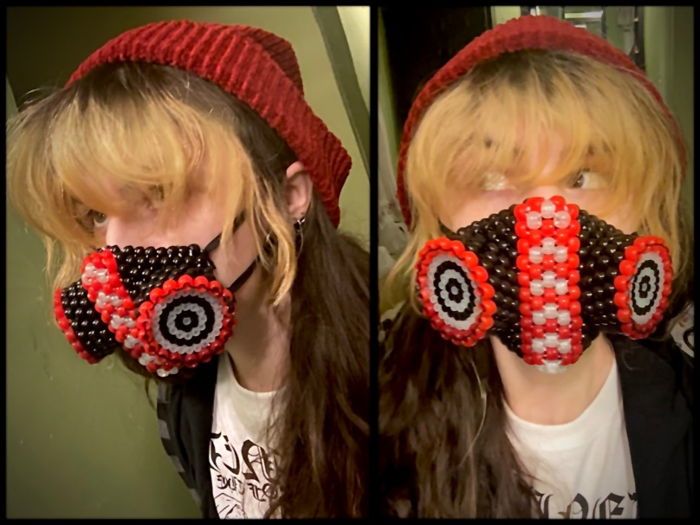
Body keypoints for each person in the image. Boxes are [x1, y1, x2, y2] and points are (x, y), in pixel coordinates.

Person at [7, 20, 368, 518]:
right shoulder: (182, 403)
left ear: (287, 198)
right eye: (96, 215)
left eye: (156, 193)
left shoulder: (395, 389)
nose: (113, 247)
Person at [379, 15, 692, 518]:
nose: (546, 218)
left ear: (646, 208)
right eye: (494, 176)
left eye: (584, 175)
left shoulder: (683, 387)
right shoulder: (383, 415)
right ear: (438, 221)